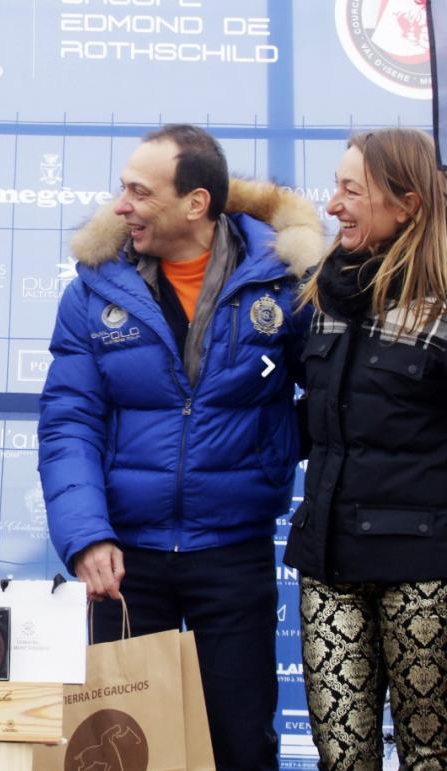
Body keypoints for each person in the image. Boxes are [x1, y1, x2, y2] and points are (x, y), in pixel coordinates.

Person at [38, 124, 325, 769]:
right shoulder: (94, 290)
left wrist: (274, 445)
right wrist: (87, 536)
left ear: (196, 203)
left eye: (140, 192)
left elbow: (335, 392)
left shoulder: (283, 282)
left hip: (233, 553)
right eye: (123, 189)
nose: (121, 206)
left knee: (240, 747)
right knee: (128, 751)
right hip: (124, 565)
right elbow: (69, 422)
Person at [284, 128, 447, 769]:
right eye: (336, 188)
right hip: (329, 566)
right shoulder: (321, 293)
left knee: (430, 755)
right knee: (341, 757)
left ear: (407, 204)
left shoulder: (441, 306)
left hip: (426, 571)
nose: (332, 205)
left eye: (352, 190)